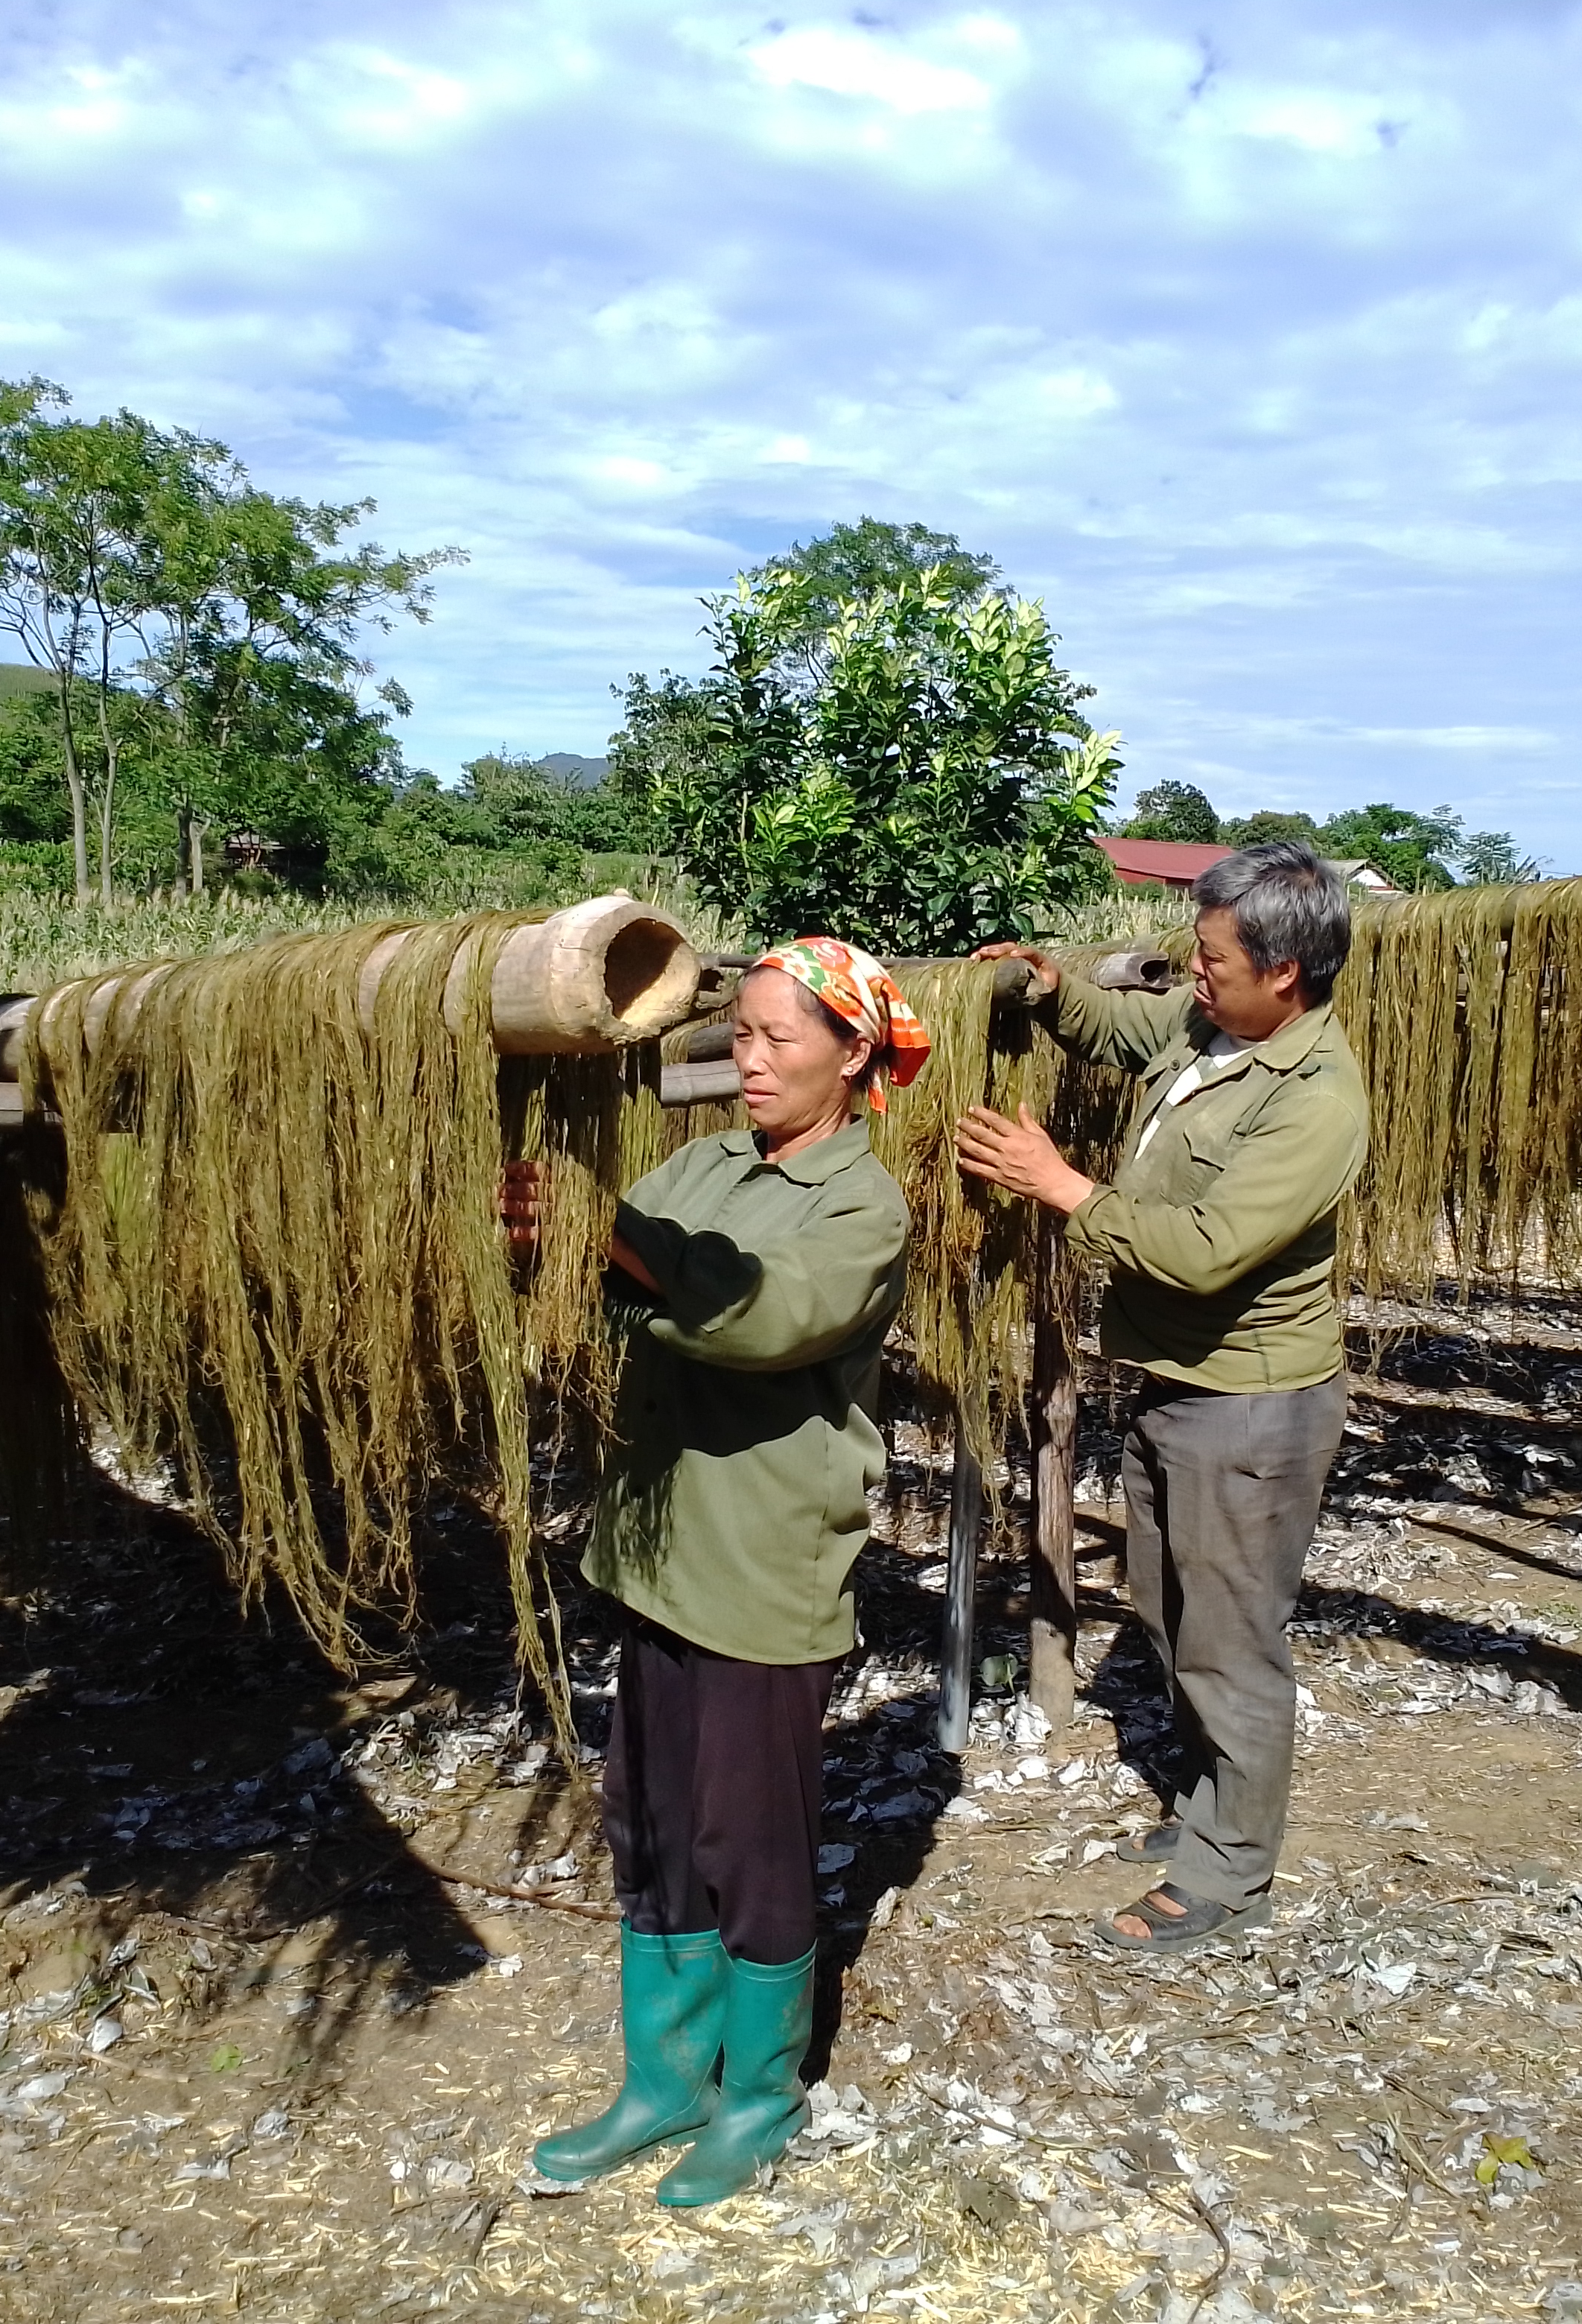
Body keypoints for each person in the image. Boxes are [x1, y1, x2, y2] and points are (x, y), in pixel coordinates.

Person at [525, 938, 925, 2209]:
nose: (745, 1062)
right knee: (649, 1822)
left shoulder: (860, 1207)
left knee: (748, 1840)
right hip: (656, 1549)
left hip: (762, 1563)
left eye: (776, 1039)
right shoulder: (703, 1163)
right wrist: (564, 1237)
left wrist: (620, 1248)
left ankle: (759, 2092)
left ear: (853, 1053)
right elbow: (619, 1272)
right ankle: (662, 2079)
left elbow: (760, 1316)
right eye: (738, 1035)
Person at [958, 840, 1367, 1952]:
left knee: (1232, 1636)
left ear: (1284, 973)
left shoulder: (1317, 1100)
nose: (1194, 971)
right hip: (1177, 1383)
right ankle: (1212, 1806)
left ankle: (1233, 1873)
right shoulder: (1213, 1032)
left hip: (1251, 1403)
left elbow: (1203, 1252)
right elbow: (1121, 1029)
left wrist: (1061, 1187)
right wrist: (1049, 990)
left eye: (1213, 956)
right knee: (1168, 1605)